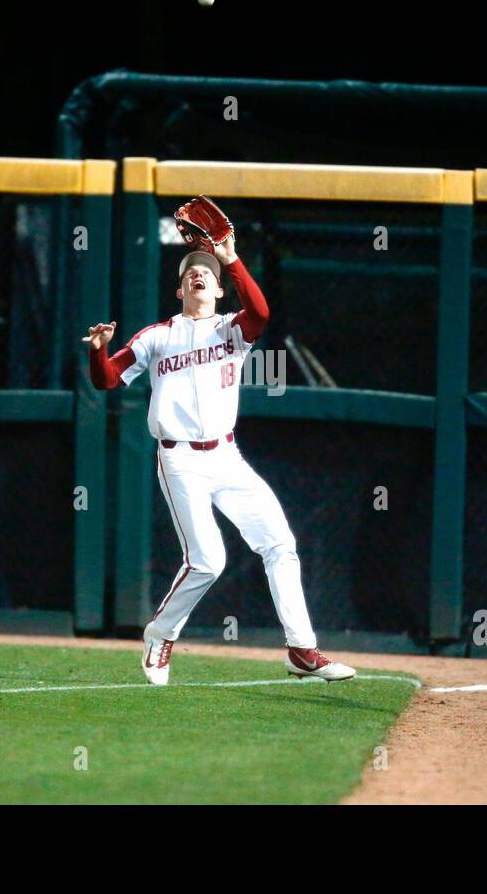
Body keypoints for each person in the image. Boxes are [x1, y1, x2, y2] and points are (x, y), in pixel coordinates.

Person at [83, 197, 355, 685]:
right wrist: (100, 352)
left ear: (219, 287)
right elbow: (107, 381)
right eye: (190, 271)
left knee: (280, 544)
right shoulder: (157, 336)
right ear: (179, 287)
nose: (197, 275)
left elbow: (262, 312)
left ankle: (300, 650)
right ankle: (161, 634)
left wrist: (229, 257)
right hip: (180, 460)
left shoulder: (234, 330)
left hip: (227, 457)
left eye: (205, 271)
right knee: (208, 561)